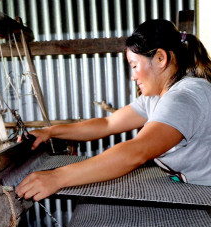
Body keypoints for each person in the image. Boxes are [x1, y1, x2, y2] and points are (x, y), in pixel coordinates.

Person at [16, 19, 211, 201]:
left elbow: (137, 151)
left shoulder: (183, 98)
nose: (133, 77)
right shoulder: (156, 98)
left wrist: (57, 177)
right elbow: (107, 124)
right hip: (194, 188)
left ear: (160, 58)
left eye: (135, 66)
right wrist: (51, 132)